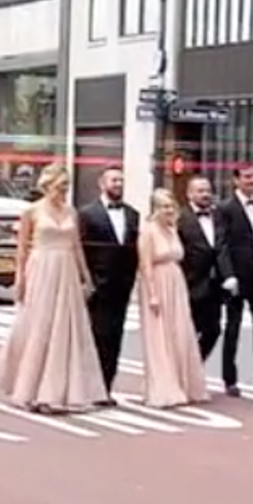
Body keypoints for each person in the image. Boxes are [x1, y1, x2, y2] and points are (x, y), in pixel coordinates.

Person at [0, 165, 107, 413]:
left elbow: (76, 247)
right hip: (41, 267)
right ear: (48, 186)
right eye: (60, 186)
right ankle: (30, 389)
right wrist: (19, 279)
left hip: (65, 270)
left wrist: (85, 277)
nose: (64, 190)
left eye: (66, 186)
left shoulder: (70, 211)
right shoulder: (31, 211)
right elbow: (22, 249)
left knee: (66, 328)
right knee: (38, 326)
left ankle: (59, 391)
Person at [136, 189, 210, 408]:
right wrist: (152, 294)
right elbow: (145, 264)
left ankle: (183, 382)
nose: (168, 210)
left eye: (171, 206)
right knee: (159, 335)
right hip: (157, 282)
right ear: (155, 209)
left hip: (176, 282)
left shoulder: (173, 229)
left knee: (179, 332)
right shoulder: (148, 232)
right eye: (164, 206)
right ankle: (162, 386)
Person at [79, 166, 140, 403]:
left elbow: (134, 249)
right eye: (114, 180)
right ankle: (89, 387)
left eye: (121, 181)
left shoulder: (133, 214)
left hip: (121, 287)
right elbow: (81, 250)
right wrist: (86, 282)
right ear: (101, 183)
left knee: (114, 338)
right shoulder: (86, 214)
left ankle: (106, 388)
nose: (118, 184)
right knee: (95, 338)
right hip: (97, 287)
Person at [215, 163, 253, 396]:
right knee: (233, 328)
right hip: (238, 276)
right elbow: (221, 244)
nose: (252, 181)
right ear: (236, 180)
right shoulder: (225, 208)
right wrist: (228, 275)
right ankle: (230, 380)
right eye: (247, 177)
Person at [178, 175, 223, 361]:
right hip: (191, 284)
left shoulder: (219, 216)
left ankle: (194, 365)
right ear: (189, 194)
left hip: (214, 286)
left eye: (208, 191)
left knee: (213, 330)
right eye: (200, 191)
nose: (206, 195)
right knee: (187, 332)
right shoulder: (181, 218)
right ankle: (183, 369)